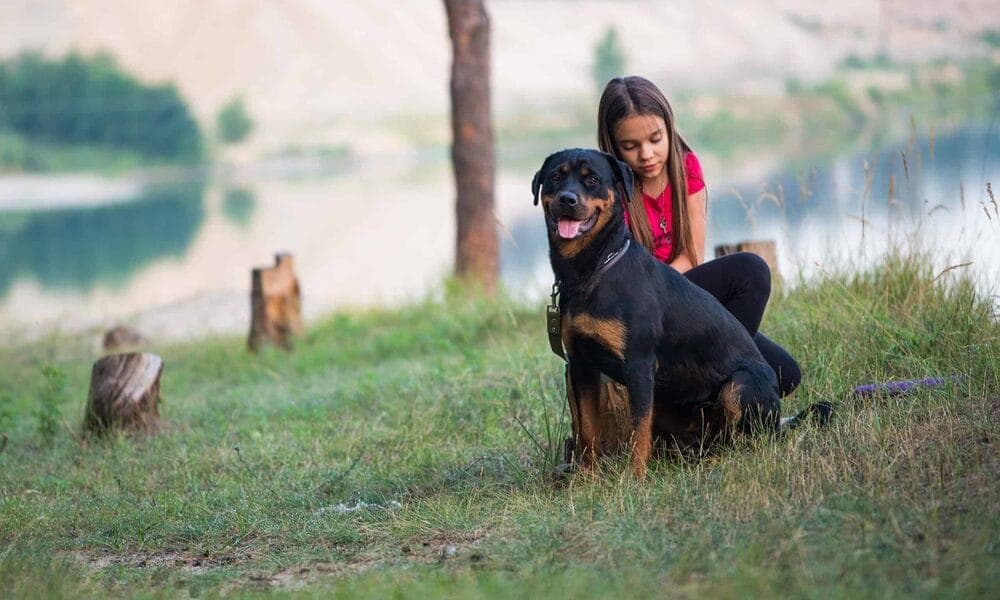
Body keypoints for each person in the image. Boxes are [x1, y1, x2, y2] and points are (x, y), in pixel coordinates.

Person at [597, 75, 800, 396]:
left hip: (680, 293)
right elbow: (628, 282)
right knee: (751, 270)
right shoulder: (612, 189)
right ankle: (705, 391)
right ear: (613, 145)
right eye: (630, 146)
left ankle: (712, 380)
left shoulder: (686, 166)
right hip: (641, 312)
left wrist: (685, 299)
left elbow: (691, 256)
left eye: (655, 139)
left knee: (785, 375)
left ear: (669, 127)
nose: (647, 154)